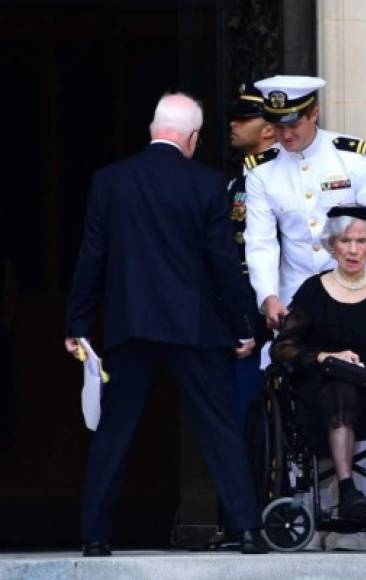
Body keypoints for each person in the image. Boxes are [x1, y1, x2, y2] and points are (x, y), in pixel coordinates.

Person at [64, 93, 267, 556]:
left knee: (114, 430)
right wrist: (243, 326)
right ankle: (248, 529)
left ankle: (95, 535)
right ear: (192, 137)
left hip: (130, 325)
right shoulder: (207, 184)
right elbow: (221, 262)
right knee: (219, 427)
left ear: (154, 128)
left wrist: (77, 324)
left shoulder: (109, 181)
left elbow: (91, 256)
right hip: (193, 326)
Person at [246, 75, 366, 550]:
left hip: (357, 296)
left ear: (314, 114)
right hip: (304, 308)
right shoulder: (263, 171)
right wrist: (268, 296)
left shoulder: (351, 158)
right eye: (276, 125)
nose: (284, 135)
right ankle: (305, 513)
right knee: (300, 396)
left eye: (292, 124)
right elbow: (260, 242)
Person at [270, 205, 366, 522]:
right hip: (324, 384)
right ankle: (348, 491)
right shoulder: (313, 291)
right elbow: (283, 348)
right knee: (341, 394)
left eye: (362, 241)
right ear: (332, 245)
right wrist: (326, 357)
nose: (353, 250)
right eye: (345, 241)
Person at [227, 82, 276, 428]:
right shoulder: (237, 183)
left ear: (269, 128)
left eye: (244, 118)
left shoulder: (277, 179)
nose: (234, 124)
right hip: (242, 303)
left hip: (273, 304)